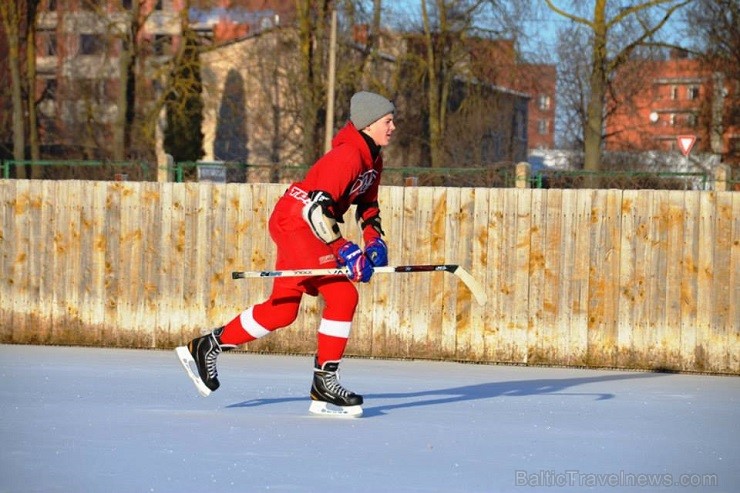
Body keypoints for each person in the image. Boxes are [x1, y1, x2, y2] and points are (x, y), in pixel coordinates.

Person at [176, 91, 396, 418]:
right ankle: (325, 384)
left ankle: (207, 346)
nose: (393, 127)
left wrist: (374, 241)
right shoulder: (348, 156)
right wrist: (346, 251)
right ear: (368, 124)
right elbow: (317, 211)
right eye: (388, 121)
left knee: (282, 312)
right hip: (299, 222)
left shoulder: (373, 160)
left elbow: (368, 207)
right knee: (343, 296)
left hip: (304, 223)